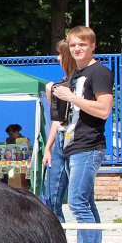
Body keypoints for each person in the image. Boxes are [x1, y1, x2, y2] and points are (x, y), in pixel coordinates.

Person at [49, 26, 113, 243]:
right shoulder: (76, 74)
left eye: (82, 45)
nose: (76, 49)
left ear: (92, 46)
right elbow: (65, 115)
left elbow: (104, 110)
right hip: (72, 144)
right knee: (85, 202)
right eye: (73, 45)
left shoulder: (100, 72)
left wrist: (72, 98)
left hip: (88, 146)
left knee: (77, 202)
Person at [42, 40, 77, 223]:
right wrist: (48, 148)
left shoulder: (77, 83)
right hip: (60, 141)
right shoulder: (61, 83)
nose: (57, 58)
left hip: (76, 141)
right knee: (51, 196)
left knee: (79, 200)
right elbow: (58, 119)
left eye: (61, 54)